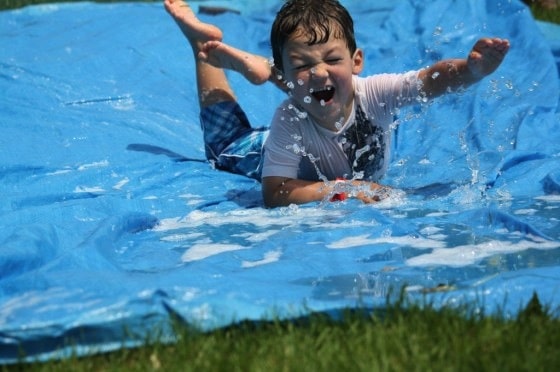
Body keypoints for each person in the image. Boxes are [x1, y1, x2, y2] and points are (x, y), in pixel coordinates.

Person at [164, 0, 510, 208]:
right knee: (223, 143)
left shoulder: (375, 92)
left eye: (333, 58)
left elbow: (431, 81)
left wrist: (471, 69)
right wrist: (347, 188)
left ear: (356, 60)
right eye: (301, 64)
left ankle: (268, 68)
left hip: (304, 103)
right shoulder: (289, 118)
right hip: (262, 151)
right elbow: (275, 193)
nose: (319, 71)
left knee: (312, 87)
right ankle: (202, 48)